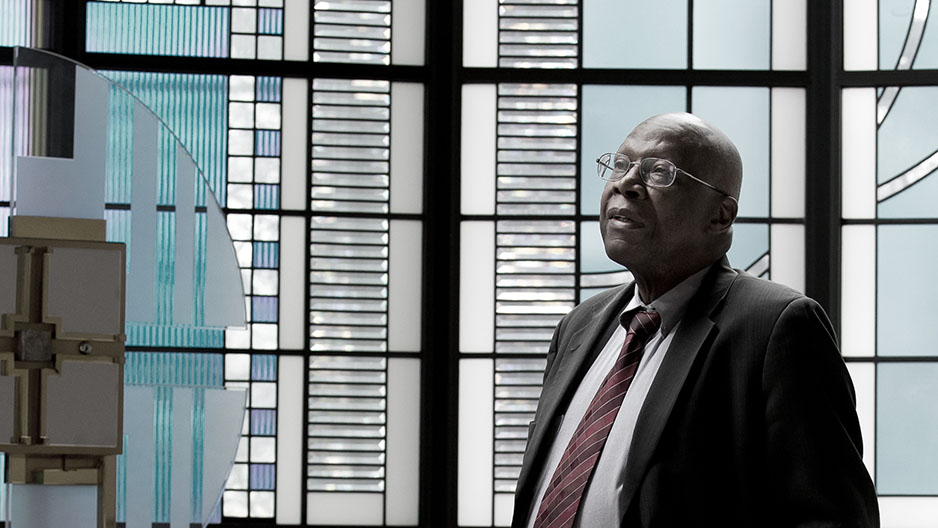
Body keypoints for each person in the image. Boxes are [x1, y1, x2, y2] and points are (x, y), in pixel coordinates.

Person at [510, 113, 879, 527]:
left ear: (720, 216)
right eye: (620, 164)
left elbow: (830, 516)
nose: (625, 184)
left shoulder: (778, 326)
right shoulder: (579, 325)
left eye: (660, 173)